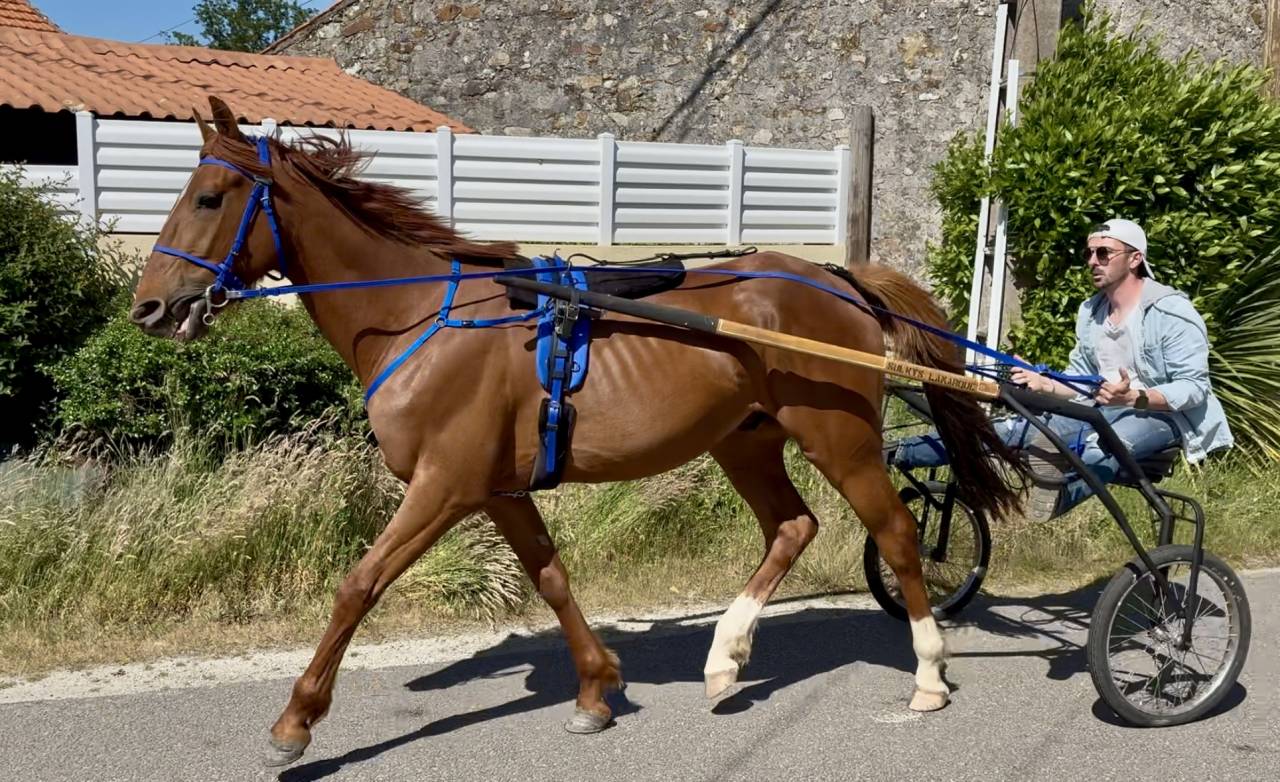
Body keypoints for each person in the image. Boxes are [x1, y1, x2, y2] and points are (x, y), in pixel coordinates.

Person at [887, 218, 1233, 521]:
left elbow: (1193, 388)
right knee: (1007, 430)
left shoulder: (1170, 311)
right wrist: (1045, 382)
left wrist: (1133, 397)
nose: (1092, 261)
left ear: (1135, 258)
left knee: (1101, 446)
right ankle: (894, 452)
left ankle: (1058, 496)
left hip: (1161, 416)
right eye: (1089, 253)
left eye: (1104, 253)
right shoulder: (1091, 312)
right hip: (1098, 408)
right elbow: (1079, 379)